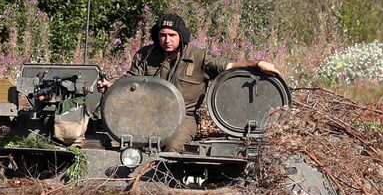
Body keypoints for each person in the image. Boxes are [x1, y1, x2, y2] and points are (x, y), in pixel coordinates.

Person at [99, 13, 280, 152]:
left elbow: (228, 66)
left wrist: (256, 63)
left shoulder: (199, 57)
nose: (167, 40)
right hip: (147, 113)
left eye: (172, 35)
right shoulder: (146, 55)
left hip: (183, 117)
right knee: (125, 142)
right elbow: (130, 80)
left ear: (181, 36)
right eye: (162, 35)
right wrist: (112, 86)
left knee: (170, 148)